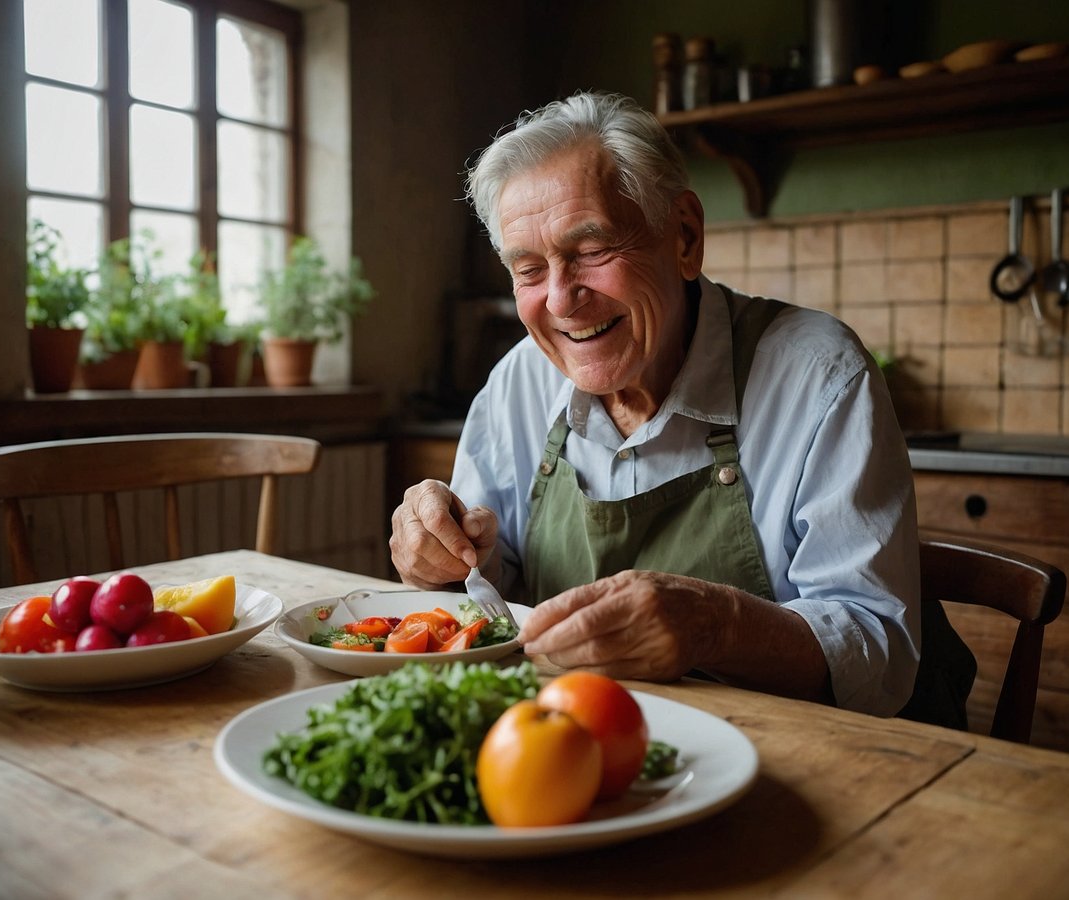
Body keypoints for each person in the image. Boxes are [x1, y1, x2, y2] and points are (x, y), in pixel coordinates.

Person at [389, 91, 973, 723]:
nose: (560, 301)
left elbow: (879, 656)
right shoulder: (517, 384)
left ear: (685, 237)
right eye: (529, 270)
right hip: (589, 747)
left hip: (801, 760)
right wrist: (444, 557)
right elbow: (487, 592)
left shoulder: (818, 374)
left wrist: (714, 625)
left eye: (590, 250)